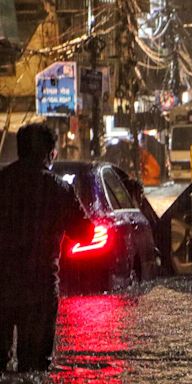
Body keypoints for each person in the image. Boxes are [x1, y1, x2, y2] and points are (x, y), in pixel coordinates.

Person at [0, 123, 94, 372]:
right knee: (35, 367)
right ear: (50, 154)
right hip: (40, 289)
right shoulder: (58, 189)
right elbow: (85, 233)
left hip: (2, 285)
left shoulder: (2, 183)